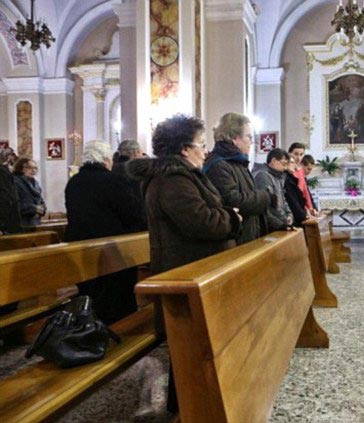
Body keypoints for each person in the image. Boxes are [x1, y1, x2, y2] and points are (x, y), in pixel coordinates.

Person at [127, 114, 242, 414]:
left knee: (192, 351)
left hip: (194, 270)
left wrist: (225, 215)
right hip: (184, 274)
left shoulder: (184, 176)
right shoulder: (172, 180)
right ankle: (189, 409)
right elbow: (202, 222)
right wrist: (232, 218)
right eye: (201, 145)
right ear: (184, 149)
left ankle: (195, 405)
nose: (205, 151)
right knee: (187, 350)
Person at [64, 140, 146, 324]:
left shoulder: (74, 182)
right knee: (115, 298)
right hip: (112, 249)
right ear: (106, 159)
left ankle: (88, 329)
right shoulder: (114, 180)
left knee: (89, 295)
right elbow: (131, 213)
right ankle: (119, 329)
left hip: (81, 248)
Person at [204, 112, 272, 245]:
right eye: (248, 137)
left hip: (247, 236)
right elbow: (233, 201)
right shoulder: (218, 165)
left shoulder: (238, 163)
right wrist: (265, 197)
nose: (251, 142)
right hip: (235, 240)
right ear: (235, 138)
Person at [254, 148, 293, 232]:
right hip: (271, 226)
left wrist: (289, 216)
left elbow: (283, 200)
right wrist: (281, 223)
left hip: (281, 223)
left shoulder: (278, 177)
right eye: (284, 164)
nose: (285, 168)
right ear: (274, 160)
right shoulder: (262, 176)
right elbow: (267, 206)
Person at [13, 158, 46, 227]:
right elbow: (15, 204)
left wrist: (43, 208)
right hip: (22, 222)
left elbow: (41, 201)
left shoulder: (36, 184)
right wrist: (35, 209)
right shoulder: (15, 182)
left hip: (35, 222)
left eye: (35, 168)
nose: (33, 170)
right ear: (21, 168)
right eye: (29, 168)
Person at [0, 146, 22, 235]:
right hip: (7, 217)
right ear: (9, 157)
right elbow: (6, 195)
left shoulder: (5, 170)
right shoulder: (2, 171)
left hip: (10, 215)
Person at [284, 157, 309, 227]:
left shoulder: (292, 179)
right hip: (294, 218)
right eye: (292, 162)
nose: (295, 166)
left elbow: (303, 196)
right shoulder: (286, 180)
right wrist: (303, 215)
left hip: (297, 216)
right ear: (286, 164)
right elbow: (292, 200)